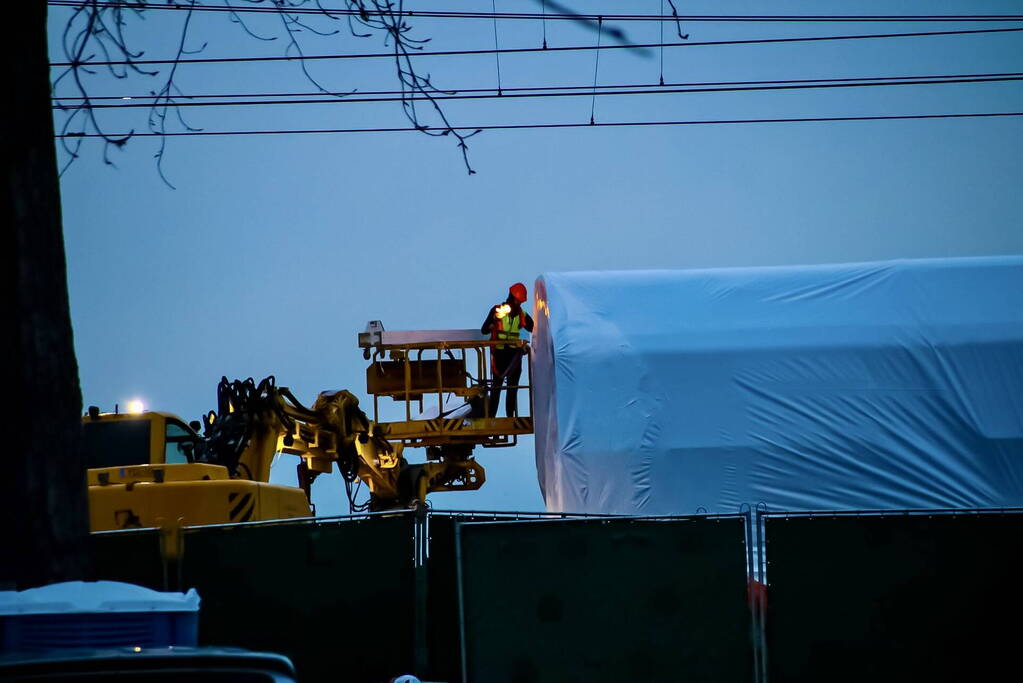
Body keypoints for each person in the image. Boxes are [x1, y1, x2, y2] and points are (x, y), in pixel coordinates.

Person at [481, 282, 534, 417]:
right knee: (496, 388)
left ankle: (510, 416)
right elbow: (484, 329)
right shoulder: (497, 311)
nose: (518, 304)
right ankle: (491, 417)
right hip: (500, 354)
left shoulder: (522, 314)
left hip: (514, 355)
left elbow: (533, 327)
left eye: (520, 302)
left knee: (512, 388)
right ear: (512, 297)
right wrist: (492, 323)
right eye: (518, 301)